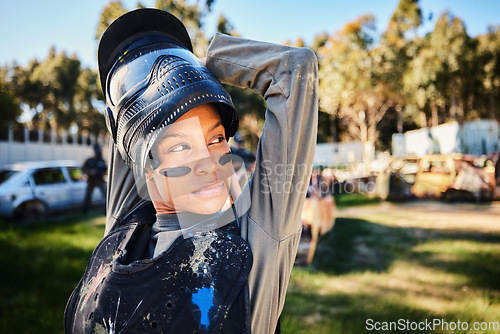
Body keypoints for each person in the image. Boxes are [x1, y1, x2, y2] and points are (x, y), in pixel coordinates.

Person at [64, 8, 318, 334]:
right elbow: (125, 137)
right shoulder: (126, 226)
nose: (210, 163)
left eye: (216, 138)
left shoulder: (255, 244)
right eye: (180, 147)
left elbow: (294, 70)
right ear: (148, 169)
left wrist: (200, 65)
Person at [81, 144, 107, 214]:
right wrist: (90, 172)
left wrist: (101, 173)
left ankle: (106, 210)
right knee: (88, 196)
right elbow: (83, 169)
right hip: (91, 181)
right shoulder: (89, 160)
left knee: (106, 195)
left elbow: (105, 170)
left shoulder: (102, 161)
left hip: (100, 180)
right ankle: (85, 211)